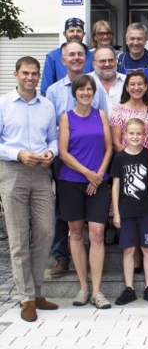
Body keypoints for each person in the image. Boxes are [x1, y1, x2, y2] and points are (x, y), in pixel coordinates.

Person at [0, 56, 59, 322]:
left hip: (41, 172)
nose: (31, 77)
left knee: (46, 232)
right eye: (26, 73)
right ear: (16, 75)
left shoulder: (46, 105)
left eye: (35, 73)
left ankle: (36, 292)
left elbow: (53, 138)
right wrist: (17, 153)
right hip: (13, 172)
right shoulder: (3, 104)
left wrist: (51, 151)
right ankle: (26, 298)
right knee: (19, 237)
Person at [46, 42, 108, 279]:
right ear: (63, 60)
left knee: (95, 228)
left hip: (95, 164)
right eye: (71, 54)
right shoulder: (53, 91)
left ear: (86, 58)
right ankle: (62, 257)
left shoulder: (97, 90)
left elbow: (104, 136)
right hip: (66, 163)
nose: (76, 58)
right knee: (67, 217)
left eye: (80, 54)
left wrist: (97, 174)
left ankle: (95, 283)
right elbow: (51, 129)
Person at [58, 74, 113, 309]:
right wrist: (87, 174)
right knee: (76, 232)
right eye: (81, 90)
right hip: (71, 181)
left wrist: (97, 175)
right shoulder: (66, 118)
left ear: (94, 92)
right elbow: (63, 153)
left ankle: (97, 291)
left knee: (98, 233)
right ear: (75, 92)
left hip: (99, 181)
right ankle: (83, 287)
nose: (85, 93)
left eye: (89, 89)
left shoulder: (100, 115)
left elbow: (109, 148)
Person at [110, 118, 148, 306]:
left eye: (139, 133)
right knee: (129, 249)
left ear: (145, 135)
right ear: (124, 135)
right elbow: (115, 186)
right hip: (126, 210)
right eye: (131, 133)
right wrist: (115, 212)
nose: (135, 137)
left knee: (147, 248)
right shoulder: (120, 157)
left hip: (146, 210)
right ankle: (129, 288)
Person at [110, 70, 148, 152]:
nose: (136, 87)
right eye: (132, 84)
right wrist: (131, 160)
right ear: (127, 87)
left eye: (140, 84)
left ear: (146, 87)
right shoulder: (118, 112)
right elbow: (116, 142)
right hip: (126, 162)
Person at [41, 18, 94, 95]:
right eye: (71, 31)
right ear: (64, 34)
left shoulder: (92, 56)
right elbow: (46, 88)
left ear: (83, 34)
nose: (75, 34)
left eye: (78, 31)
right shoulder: (53, 56)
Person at [116, 23, 148, 87]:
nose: (135, 42)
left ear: (145, 40)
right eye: (132, 38)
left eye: (139, 39)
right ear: (126, 40)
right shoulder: (120, 61)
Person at [88, 47, 126, 118]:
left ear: (116, 61)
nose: (107, 64)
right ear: (93, 64)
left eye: (111, 60)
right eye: (102, 61)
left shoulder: (127, 81)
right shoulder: (85, 82)